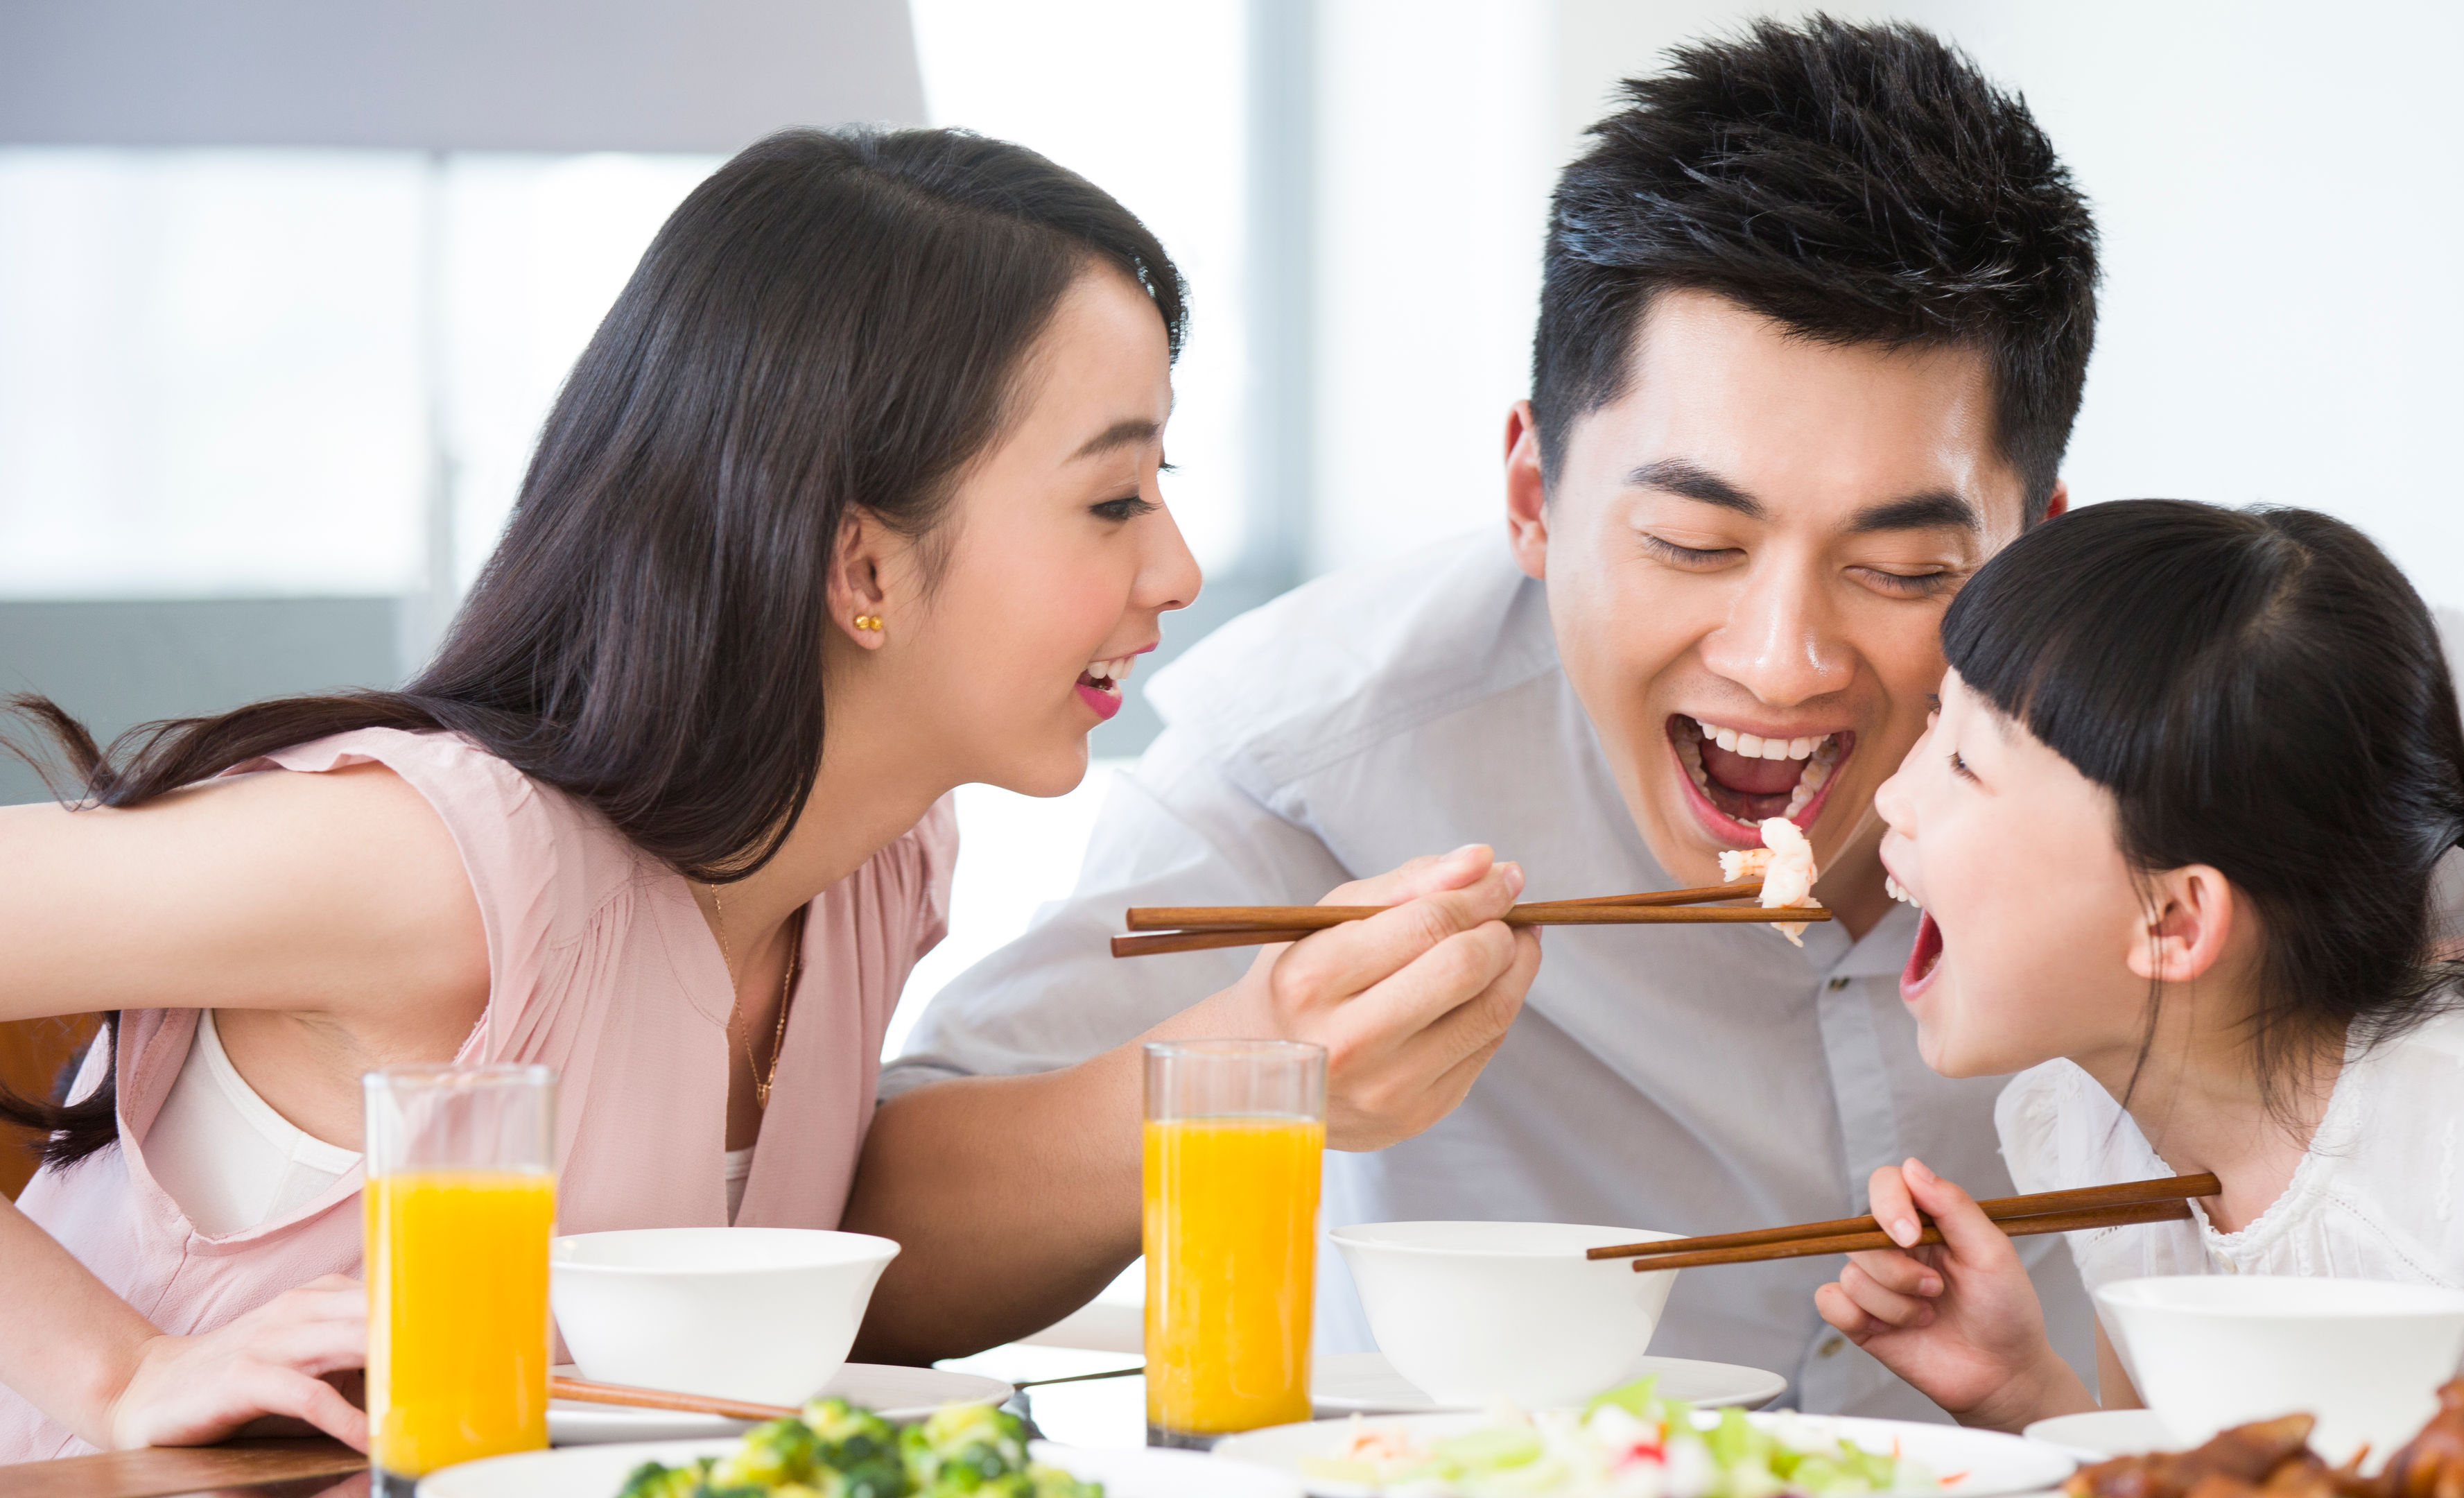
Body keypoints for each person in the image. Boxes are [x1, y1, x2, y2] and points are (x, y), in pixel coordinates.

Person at [852, 18, 2464, 1418]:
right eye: (1693, 538)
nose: (1784, 661)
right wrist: (1256, 1067)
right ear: (1533, 493)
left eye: (1900, 565)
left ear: (2037, 535)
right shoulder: (1319, 748)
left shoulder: (2233, 700)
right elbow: (891, 1252)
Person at [0, 127, 1534, 1461]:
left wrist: (1268, 1055)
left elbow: (864, 1272)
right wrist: (121, 1369)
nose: (1177, 574)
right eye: (1113, 500)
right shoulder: (433, 867)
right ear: (863, 565)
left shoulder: (876, 868)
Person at [1816, 501, 2464, 1454]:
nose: (1894, 796)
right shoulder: (2077, 1130)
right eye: (1938, 721)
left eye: (1965, 764)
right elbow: (2191, 1475)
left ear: (2174, 921)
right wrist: (2019, 1392)